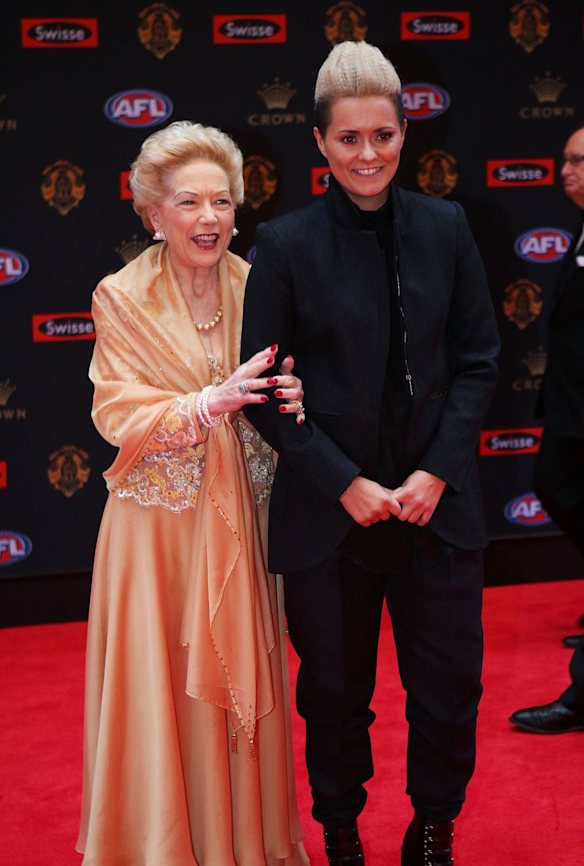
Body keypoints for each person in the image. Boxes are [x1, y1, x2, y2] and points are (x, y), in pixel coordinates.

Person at [240, 41, 500, 866]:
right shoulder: (283, 246)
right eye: (349, 139)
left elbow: (479, 362)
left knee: (449, 694)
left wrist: (435, 473)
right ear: (320, 141)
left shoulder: (447, 227)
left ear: (404, 133)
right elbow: (262, 391)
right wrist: (342, 481)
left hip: (436, 510)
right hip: (332, 519)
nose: (368, 155)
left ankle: (432, 832)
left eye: (383, 136)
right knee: (335, 697)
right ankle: (342, 835)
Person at [76, 120, 310, 865]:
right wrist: (206, 405)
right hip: (157, 537)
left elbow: (289, 392)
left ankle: (248, 846)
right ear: (152, 212)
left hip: (244, 523)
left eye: (222, 202)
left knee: (242, 684)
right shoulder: (119, 296)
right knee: (160, 694)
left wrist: (298, 395)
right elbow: (115, 412)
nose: (208, 219)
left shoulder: (261, 283)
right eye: (188, 203)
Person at [509, 126, 584, 736]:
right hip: (568, 409)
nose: (566, 170)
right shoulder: (579, 229)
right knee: (554, 486)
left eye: (578, 161)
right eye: (563, 159)